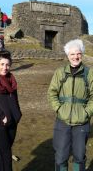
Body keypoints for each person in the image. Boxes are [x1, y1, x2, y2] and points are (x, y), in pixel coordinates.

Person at [47, 39, 93, 171]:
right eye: (72, 54)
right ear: (68, 56)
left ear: (82, 54)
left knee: (79, 156)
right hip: (63, 121)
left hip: (82, 122)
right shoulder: (60, 72)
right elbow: (52, 93)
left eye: (78, 53)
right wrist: (59, 109)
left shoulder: (89, 74)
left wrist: (86, 113)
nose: (75, 57)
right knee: (61, 156)